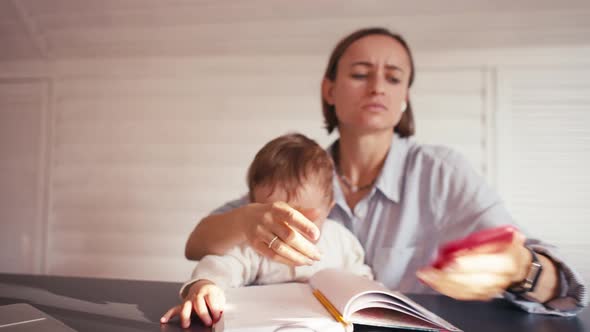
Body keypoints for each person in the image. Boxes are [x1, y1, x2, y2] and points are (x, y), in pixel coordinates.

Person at [184, 27, 587, 316]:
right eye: (360, 74)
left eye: (394, 77)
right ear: (329, 90)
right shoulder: (300, 169)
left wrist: (521, 268)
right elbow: (198, 244)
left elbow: (551, 282)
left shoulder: (442, 172)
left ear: (404, 97)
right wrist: (245, 221)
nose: (378, 86)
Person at [161, 133, 373, 328]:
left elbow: (361, 277)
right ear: (254, 207)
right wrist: (205, 285)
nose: (289, 231)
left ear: (329, 207)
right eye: (276, 218)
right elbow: (222, 265)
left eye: (304, 218)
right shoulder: (255, 244)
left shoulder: (342, 242)